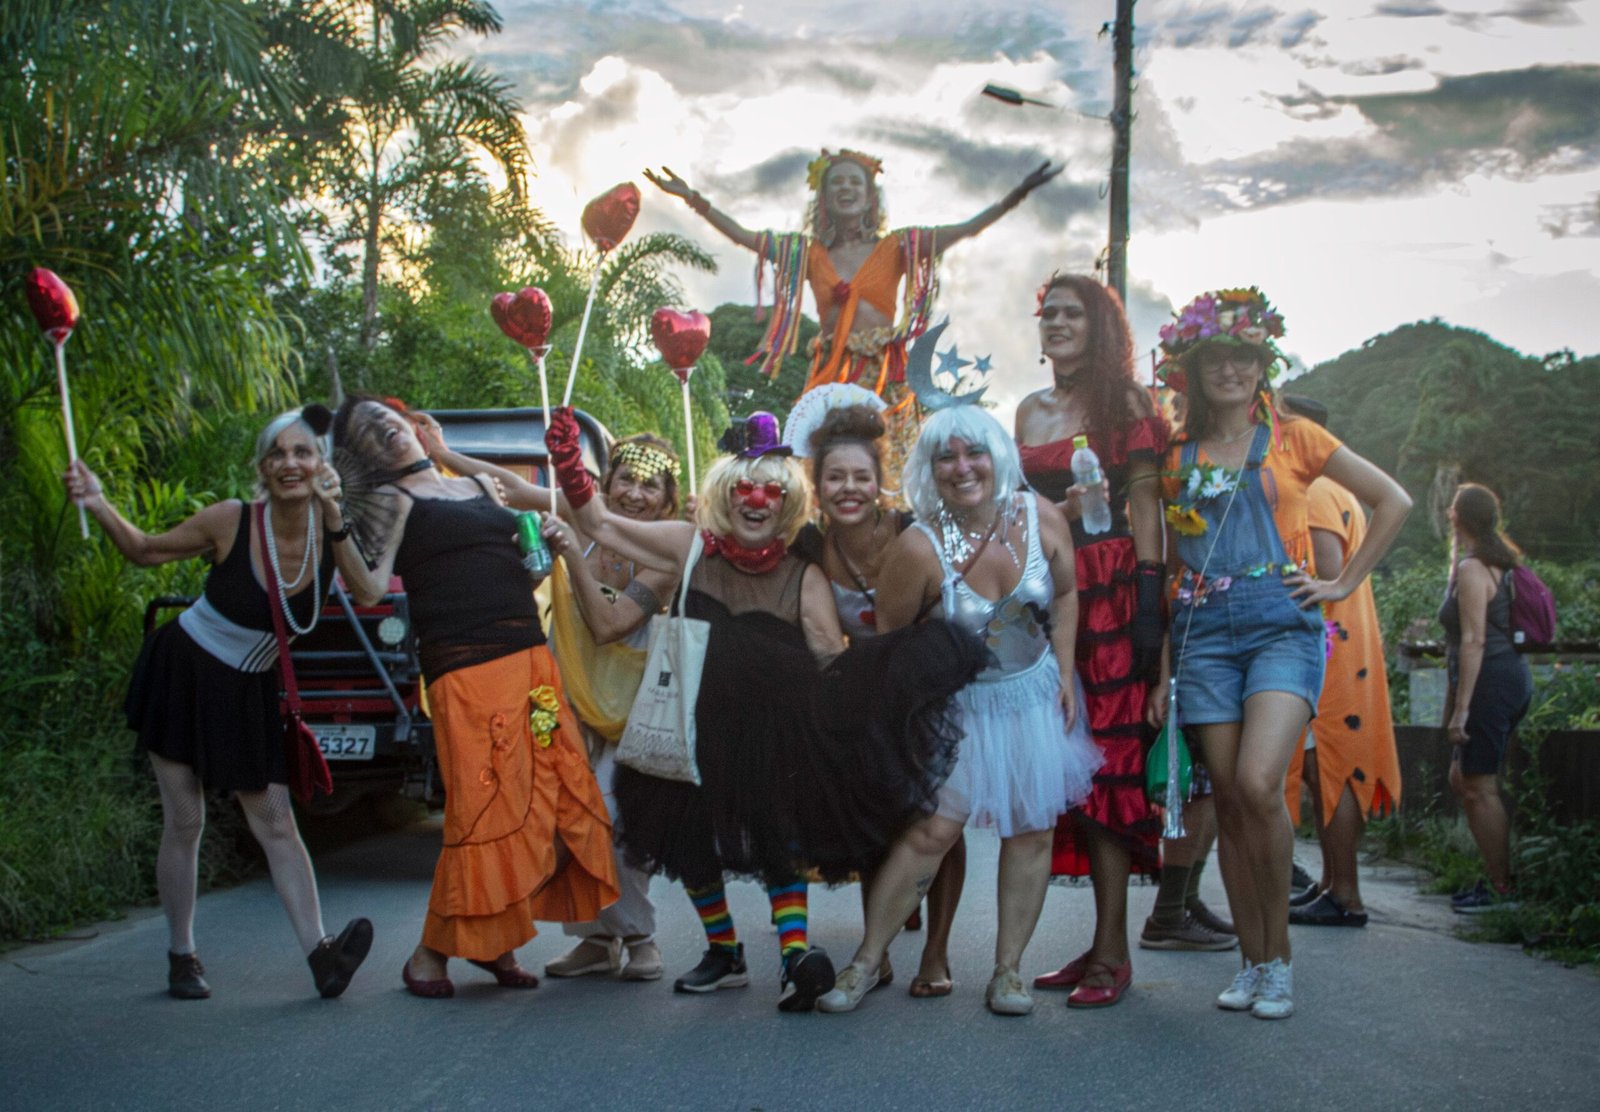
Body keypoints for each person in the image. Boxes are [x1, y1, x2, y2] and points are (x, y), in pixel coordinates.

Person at [542, 406, 983, 1012]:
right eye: (745, 490)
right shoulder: (688, 547)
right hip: (693, 729)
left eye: (772, 492)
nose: (757, 501)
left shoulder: (803, 575)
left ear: (787, 502)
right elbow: (597, 518)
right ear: (726, 494)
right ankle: (723, 951)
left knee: (780, 843)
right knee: (690, 839)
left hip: (779, 737)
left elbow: (832, 656)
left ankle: (795, 956)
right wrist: (571, 464)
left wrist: (895, 677)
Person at [1149, 288, 1411, 1021]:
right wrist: (1165, 668)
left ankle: (1282, 963)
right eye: (1216, 360)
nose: (1231, 370)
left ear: (1263, 366)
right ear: (1194, 371)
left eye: (1244, 358)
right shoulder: (1175, 454)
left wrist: (1340, 581)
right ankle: (1253, 962)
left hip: (1281, 627)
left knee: (1261, 782)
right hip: (1201, 631)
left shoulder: (1297, 438)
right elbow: (1171, 563)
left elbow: (1395, 501)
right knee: (1228, 797)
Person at [62, 407, 374, 1001]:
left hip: (248, 689)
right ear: (261, 466)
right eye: (277, 454)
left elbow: (366, 590)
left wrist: (335, 518)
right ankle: (183, 956)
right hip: (184, 672)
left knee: (278, 823)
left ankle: (322, 957)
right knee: (186, 819)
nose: (290, 463)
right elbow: (146, 552)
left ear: (321, 463)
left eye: (303, 452)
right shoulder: (232, 520)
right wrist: (99, 501)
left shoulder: (329, 534)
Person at [817, 401, 1102, 1017]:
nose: (962, 467)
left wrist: (1067, 670)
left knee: (1031, 828)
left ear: (997, 455)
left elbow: (1070, 591)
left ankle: (1008, 973)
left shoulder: (1041, 517)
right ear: (930, 468)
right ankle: (865, 962)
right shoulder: (919, 548)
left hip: (1031, 698)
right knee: (932, 831)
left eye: (974, 452)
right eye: (946, 456)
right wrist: (909, 720)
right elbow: (892, 643)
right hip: (958, 711)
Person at [331, 396, 619, 999]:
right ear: (362, 456)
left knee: (557, 796)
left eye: (390, 419)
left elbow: (530, 557)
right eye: (369, 433)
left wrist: (537, 556)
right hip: (467, 677)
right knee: (489, 811)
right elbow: (367, 588)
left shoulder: (482, 486)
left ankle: (493, 941)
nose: (386, 432)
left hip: (533, 669)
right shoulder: (392, 501)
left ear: (414, 426)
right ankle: (430, 953)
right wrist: (334, 519)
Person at [1016, 273, 1225, 1010]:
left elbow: (1146, 508)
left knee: (1107, 766)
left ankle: (1114, 951)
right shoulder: (1028, 410)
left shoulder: (1126, 405)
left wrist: (1146, 603)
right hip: (1045, 596)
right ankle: (1098, 944)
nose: (1058, 323)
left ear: (1101, 325)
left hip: (1110, 594)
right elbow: (1020, 511)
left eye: (1074, 313)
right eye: (1049, 314)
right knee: (1062, 765)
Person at [418, 418, 679, 980]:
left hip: (628, 712)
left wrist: (571, 556)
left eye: (649, 486)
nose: (635, 492)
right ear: (605, 485)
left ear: (666, 501)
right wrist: (443, 453)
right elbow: (504, 486)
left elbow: (609, 625)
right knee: (555, 817)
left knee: (614, 818)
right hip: (549, 696)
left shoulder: (666, 556)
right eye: (625, 480)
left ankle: (640, 938)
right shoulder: (577, 514)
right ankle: (591, 937)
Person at [646, 151, 1061, 473]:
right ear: (824, 198)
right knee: (827, 455)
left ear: (869, 196)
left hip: (885, 371)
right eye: (836, 182)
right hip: (832, 371)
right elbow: (747, 238)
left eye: (854, 182)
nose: (846, 188)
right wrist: (694, 200)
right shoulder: (807, 252)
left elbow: (966, 229)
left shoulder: (898, 245)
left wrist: (1014, 196)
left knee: (888, 457)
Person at [789, 400, 967, 999]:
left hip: (929, 693)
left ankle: (936, 955)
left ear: (879, 482)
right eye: (835, 477)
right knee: (873, 820)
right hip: (859, 693)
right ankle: (880, 947)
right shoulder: (812, 548)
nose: (849, 488)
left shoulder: (910, 530)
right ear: (817, 486)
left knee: (941, 821)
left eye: (861, 476)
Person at [1280, 397, 1402, 928]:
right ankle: (1332, 883)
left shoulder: (1316, 490)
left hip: (1329, 644)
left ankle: (1345, 891)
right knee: (1325, 767)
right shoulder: (1339, 489)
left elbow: (1327, 567)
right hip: (1344, 641)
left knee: (1331, 766)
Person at [1438, 482, 1532, 913]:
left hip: (1491, 681)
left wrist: (1461, 710)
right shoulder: (1485, 563)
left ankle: (1502, 889)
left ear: (1457, 517)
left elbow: (1474, 641)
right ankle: (1495, 879)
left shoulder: (1477, 569)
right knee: (1465, 780)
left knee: (1479, 784)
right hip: (1499, 679)